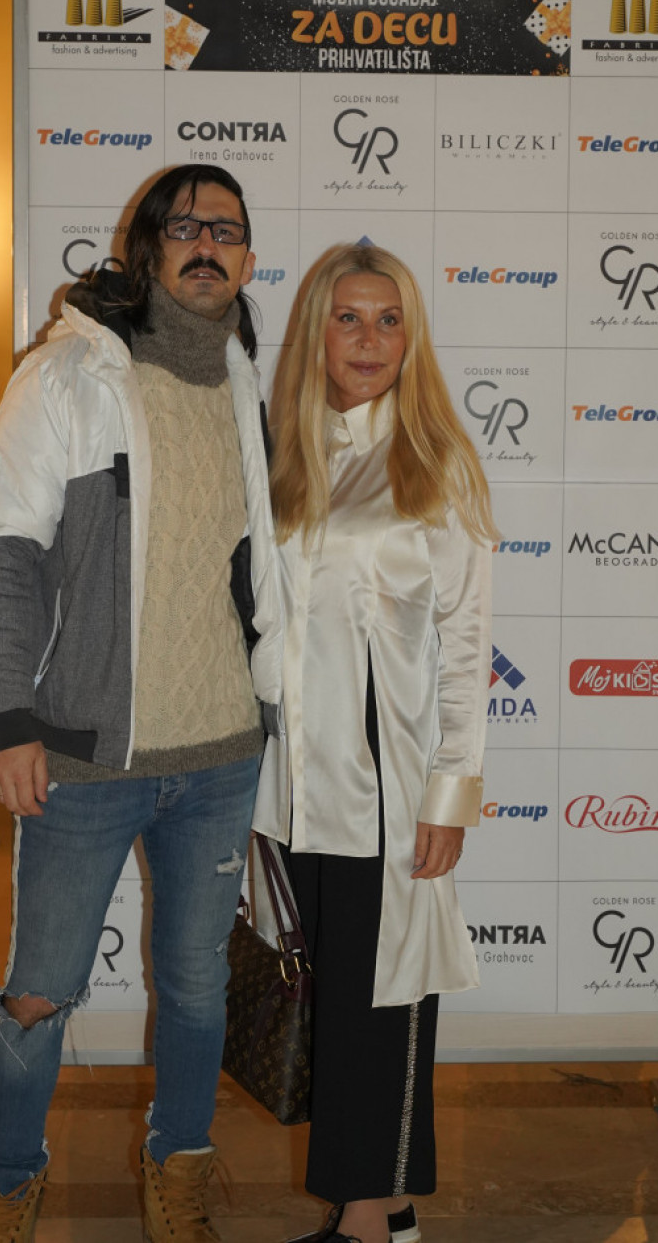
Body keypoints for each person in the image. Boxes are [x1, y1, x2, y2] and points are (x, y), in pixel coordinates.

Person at [0, 163, 283, 1242]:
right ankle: (5, 1181)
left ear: (247, 257)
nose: (206, 244)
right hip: (85, 755)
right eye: (183, 226)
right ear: (146, 248)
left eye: (225, 229)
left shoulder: (245, 380)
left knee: (196, 987)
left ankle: (178, 1167)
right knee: (41, 989)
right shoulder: (71, 373)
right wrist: (7, 717)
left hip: (222, 753)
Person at [253, 245, 496, 1243]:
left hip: (387, 782)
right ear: (317, 332)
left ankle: (366, 1218)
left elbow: (467, 642)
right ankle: (384, 1209)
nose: (368, 339)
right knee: (328, 1001)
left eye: (388, 319)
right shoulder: (287, 458)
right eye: (347, 318)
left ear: (412, 336)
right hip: (290, 785)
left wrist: (450, 793)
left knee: (383, 997)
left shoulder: (436, 460)